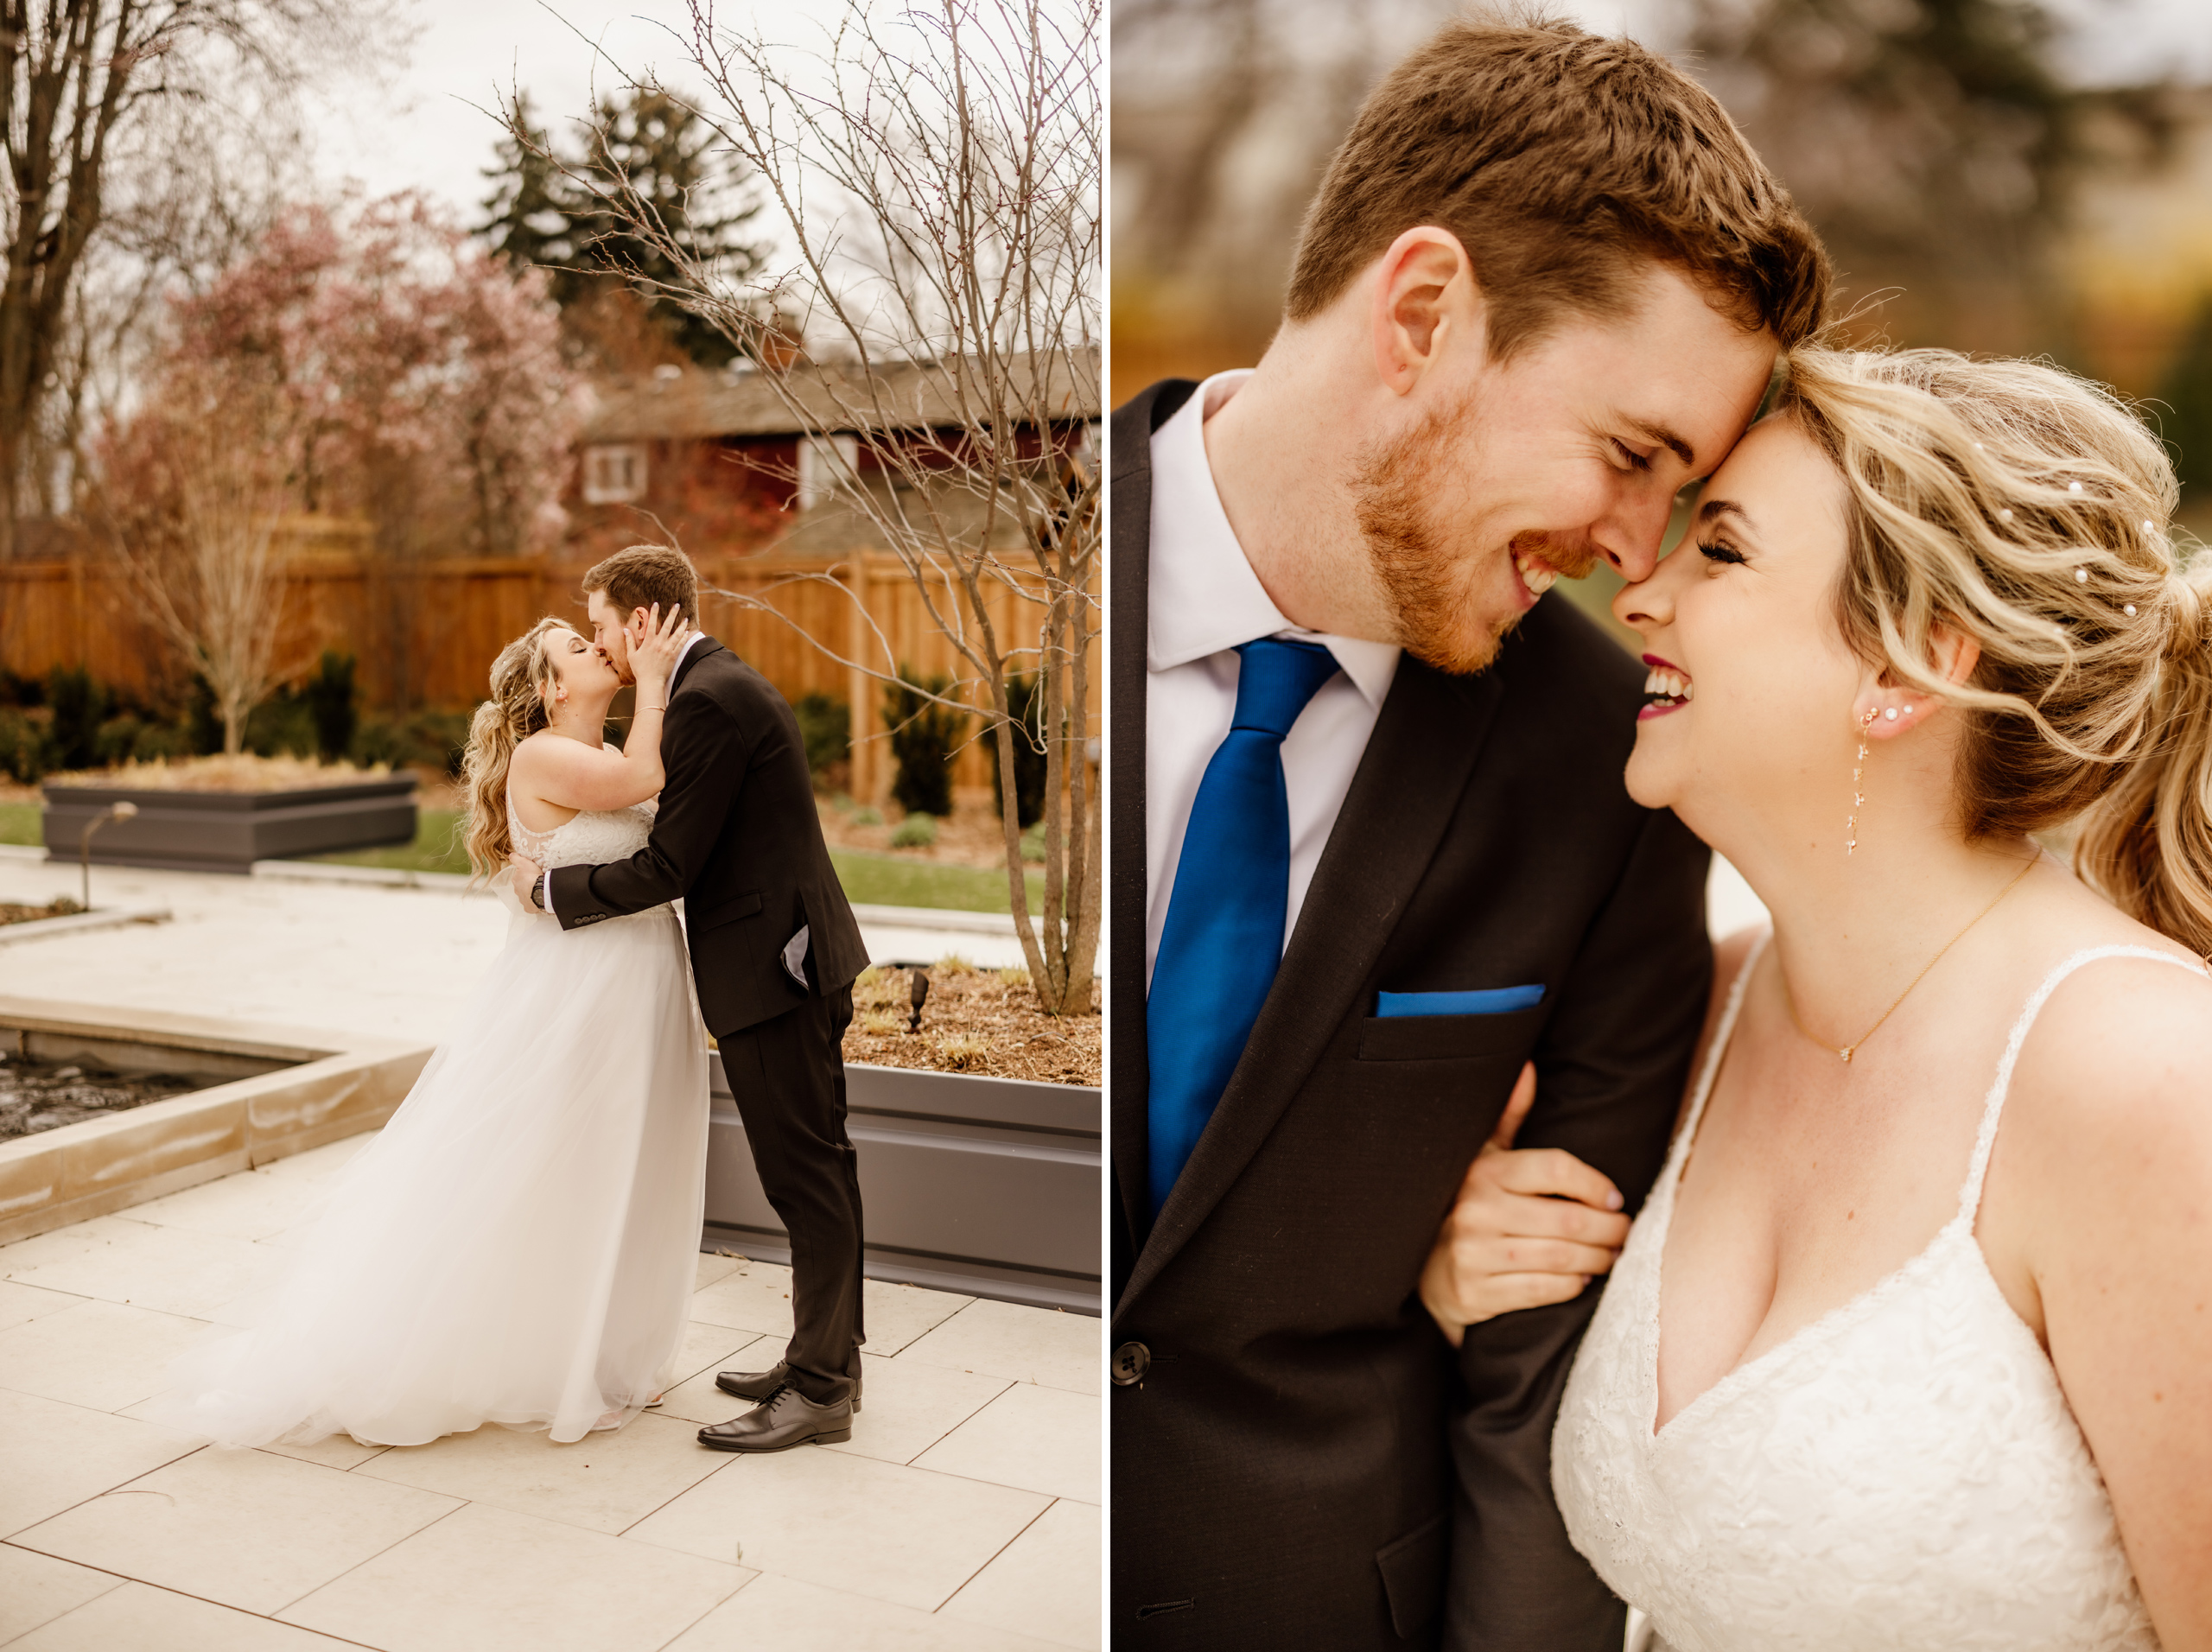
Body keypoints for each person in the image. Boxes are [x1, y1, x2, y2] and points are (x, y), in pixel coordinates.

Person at [1109, 15, 1830, 1647]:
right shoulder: (1035, 569)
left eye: (1688, 496)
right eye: (1631, 457)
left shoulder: (1607, 753)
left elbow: (1536, 1392)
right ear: (1424, 312)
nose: (1631, 553)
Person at [1434, 348, 2212, 1647]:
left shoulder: (2148, 1085)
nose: (1642, 590)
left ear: (1909, 666)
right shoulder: (1708, 1009)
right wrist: (1463, 1257)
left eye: (1722, 553)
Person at [149, 606, 699, 1446]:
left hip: (630, 984)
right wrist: (657, 681)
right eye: (578, 648)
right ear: (553, 689)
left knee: (614, 1163)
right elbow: (642, 789)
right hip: (574, 992)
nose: (599, 651)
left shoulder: (599, 748)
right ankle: (533, 1354)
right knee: (553, 1163)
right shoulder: (550, 754)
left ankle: (599, 1348)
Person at [510, 543, 871, 1454]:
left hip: (774, 972)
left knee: (806, 1177)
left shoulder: (705, 700)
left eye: (599, 624)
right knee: (816, 1170)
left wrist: (552, 893)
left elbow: (670, 864)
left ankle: (823, 1386)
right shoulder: (715, 680)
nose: (600, 642)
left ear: (639, 621)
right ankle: (821, 1356)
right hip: (786, 960)